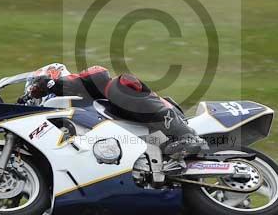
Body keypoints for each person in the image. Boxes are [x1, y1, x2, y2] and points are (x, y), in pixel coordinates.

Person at [21, 63, 207, 159]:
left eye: (36, 92)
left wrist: (51, 84)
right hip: (140, 141)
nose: (36, 98)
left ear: (53, 75)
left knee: (119, 85)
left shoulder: (83, 82)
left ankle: (186, 136)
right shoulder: (70, 113)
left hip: (160, 121)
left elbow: (100, 73)